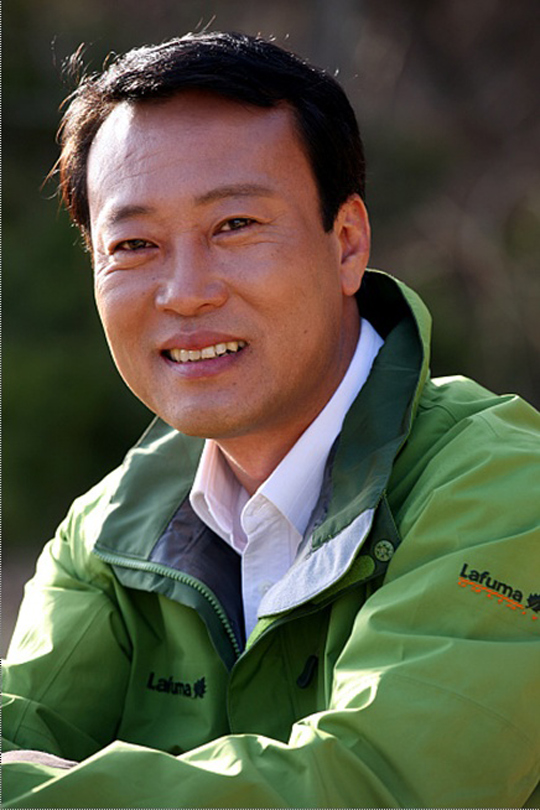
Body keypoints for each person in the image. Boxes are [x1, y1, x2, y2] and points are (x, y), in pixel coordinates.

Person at [2, 31, 539, 809]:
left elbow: (371, 788)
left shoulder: (505, 489)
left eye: (235, 226)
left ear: (346, 243)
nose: (185, 292)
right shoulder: (111, 530)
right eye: (135, 244)